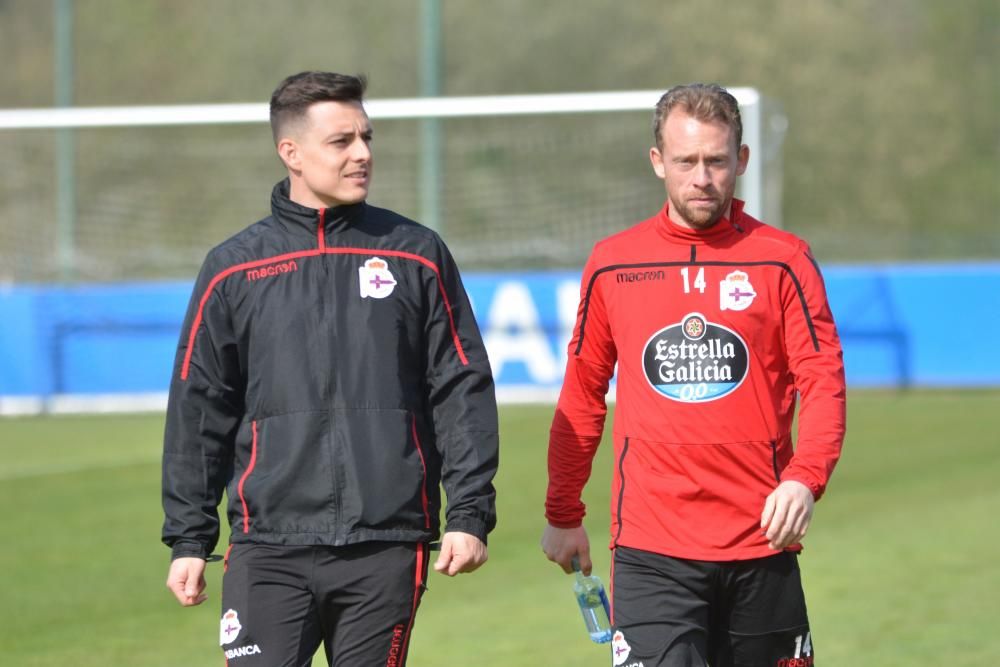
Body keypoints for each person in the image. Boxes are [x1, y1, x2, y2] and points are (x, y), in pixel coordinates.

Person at [162, 71, 499, 666]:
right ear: (290, 152)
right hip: (267, 546)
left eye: (366, 137)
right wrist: (190, 538)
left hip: (386, 543)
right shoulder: (232, 268)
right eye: (341, 141)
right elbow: (200, 407)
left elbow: (460, 386)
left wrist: (469, 513)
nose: (363, 154)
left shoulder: (415, 254)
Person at [541, 83, 846, 666]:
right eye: (685, 161)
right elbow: (582, 394)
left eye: (716, 161)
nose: (701, 177)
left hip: (761, 542)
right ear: (658, 161)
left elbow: (823, 380)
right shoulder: (613, 263)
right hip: (651, 551)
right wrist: (562, 511)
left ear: (742, 161)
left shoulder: (784, 260)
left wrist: (806, 477)